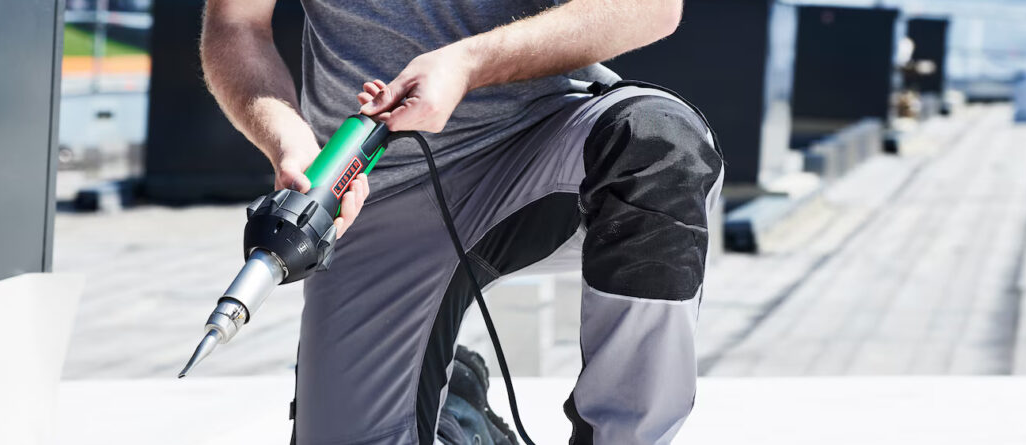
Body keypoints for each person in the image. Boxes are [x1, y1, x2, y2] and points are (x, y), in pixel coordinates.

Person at [200, 0, 724, 443]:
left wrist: (470, 63)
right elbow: (236, 23)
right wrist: (292, 146)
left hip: (544, 151)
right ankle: (459, 416)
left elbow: (652, 7)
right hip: (372, 194)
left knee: (658, 145)